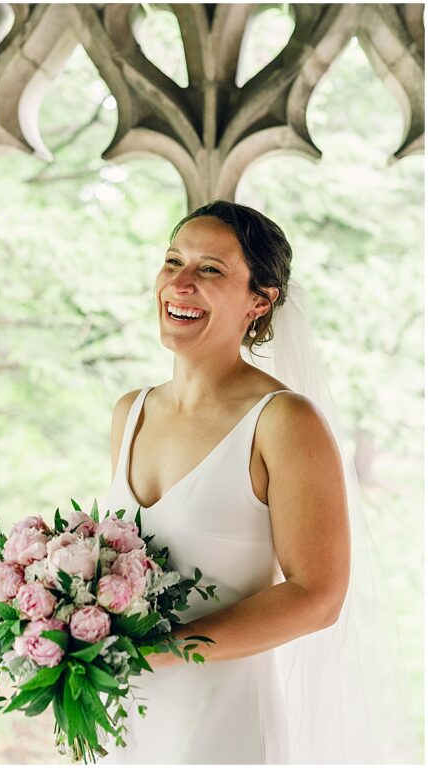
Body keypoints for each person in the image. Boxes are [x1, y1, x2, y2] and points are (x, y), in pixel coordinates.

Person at [102, 201, 350, 762]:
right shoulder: (129, 412)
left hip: (223, 728)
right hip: (125, 718)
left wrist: (158, 653)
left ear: (260, 301)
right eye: (173, 261)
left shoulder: (284, 421)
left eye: (210, 269)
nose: (180, 283)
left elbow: (319, 598)